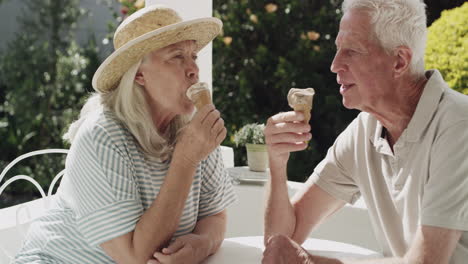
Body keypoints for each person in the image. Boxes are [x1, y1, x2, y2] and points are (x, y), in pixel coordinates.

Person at [15, 4, 237, 264]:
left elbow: (215, 216)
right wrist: (186, 159)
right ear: (139, 75)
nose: (193, 70)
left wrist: (202, 243)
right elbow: (134, 256)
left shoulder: (191, 129)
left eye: (193, 57)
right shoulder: (102, 136)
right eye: (177, 57)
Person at [263, 0, 468, 263]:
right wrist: (277, 165)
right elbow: (281, 242)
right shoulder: (365, 130)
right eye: (338, 50)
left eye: (351, 51)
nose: (334, 65)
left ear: (399, 61)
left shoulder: (459, 126)